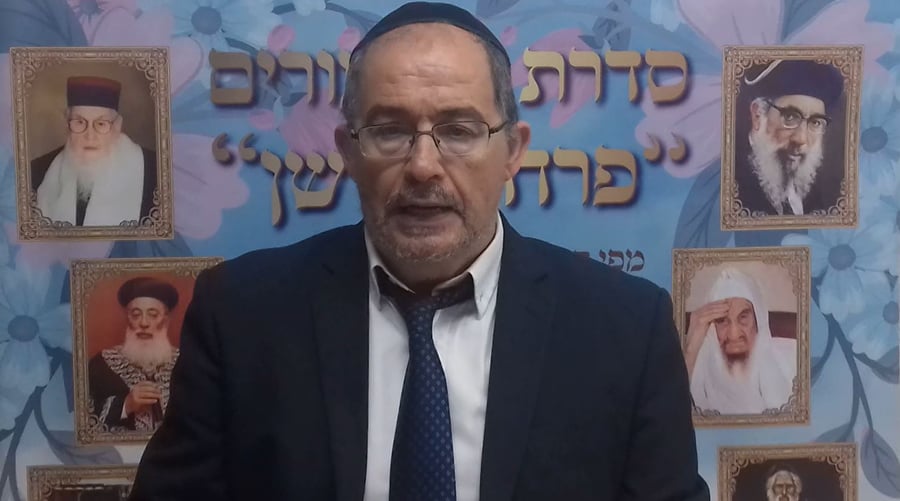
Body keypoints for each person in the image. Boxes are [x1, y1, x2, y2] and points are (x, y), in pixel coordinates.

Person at [129, 2, 709, 499]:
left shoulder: (625, 330)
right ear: (347, 152)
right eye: (390, 130)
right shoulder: (242, 314)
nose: (424, 166)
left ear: (513, 151)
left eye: (459, 130)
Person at [31, 75, 157, 226]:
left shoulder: (155, 172)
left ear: (117, 126)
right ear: (67, 124)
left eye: (101, 123)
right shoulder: (37, 172)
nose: (90, 136)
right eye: (79, 122)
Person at [733, 59, 844, 216]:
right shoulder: (733, 185)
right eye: (790, 117)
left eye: (815, 122)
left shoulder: (817, 195)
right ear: (758, 115)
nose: (801, 139)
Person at [684, 267, 796, 414]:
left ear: (758, 320)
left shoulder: (792, 357)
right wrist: (691, 349)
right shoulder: (695, 362)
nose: (734, 334)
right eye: (722, 321)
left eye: (743, 318)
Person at [88, 276, 179, 432]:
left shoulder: (186, 363)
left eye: (153, 314)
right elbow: (85, 422)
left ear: (166, 320)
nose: (143, 323)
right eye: (136, 315)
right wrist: (126, 405)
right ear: (127, 318)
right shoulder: (101, 364)